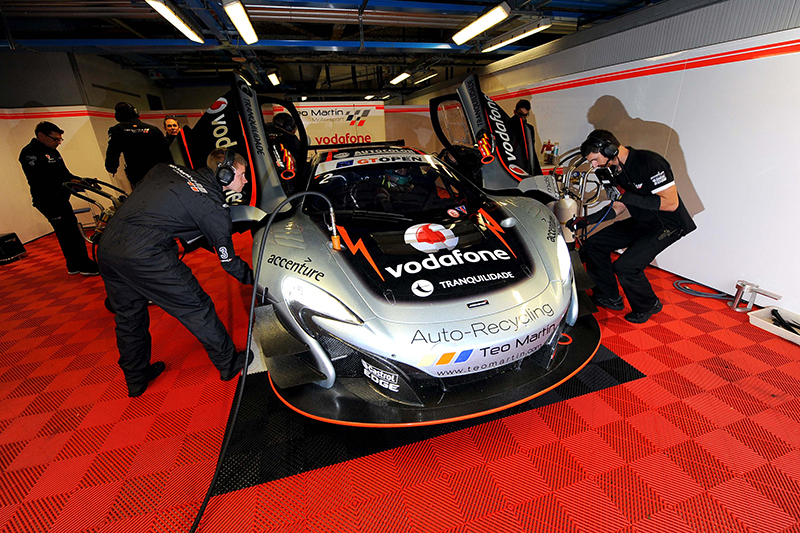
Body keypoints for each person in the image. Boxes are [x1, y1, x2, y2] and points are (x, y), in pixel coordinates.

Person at [97, 148, 254, 397]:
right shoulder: (212, 207)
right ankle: (229, 363)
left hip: (108, 247)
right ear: (224, 174)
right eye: (242, 175)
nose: (245, 181)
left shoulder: (166, 168)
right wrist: (257, 280)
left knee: (129, 316)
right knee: (197, 307)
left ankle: (136, 379)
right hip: (146, 254)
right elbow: (229, 263)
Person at [568, 129, 696, 324]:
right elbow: (619, 206)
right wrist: (587, 220)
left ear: (610, 150)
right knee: (594, 244)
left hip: (668, 225)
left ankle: (648, 304)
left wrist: (625, 196)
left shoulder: (650, 163)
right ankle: (609, 296)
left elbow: (671, 204)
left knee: (625, 266)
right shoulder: (613, 170)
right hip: (642, 220)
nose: (593, 165)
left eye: (594, 159)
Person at [18, 121, 99, 276]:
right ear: (41, 135)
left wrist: (82, 180)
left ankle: (73, 264)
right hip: (48, 200)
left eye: (60, 139)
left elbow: (65, 174)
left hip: (60, 198)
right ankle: (84, 264)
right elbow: (40, 179)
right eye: (55, 139)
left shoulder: (53, 152)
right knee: (69, 232)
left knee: (68, 231)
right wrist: (67, 183)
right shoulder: (30, 152)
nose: (58, 142)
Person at [105, 102, 171, 188]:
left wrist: (112, 168)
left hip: (137, 174)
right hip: (158, 173)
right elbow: (166, 151)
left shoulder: (119, 130)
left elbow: (113, 152)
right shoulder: (153, 129)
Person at [508, 99, 543, 176]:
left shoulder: (529, 129)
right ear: (515, 112)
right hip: (512, 163)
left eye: (526, 115)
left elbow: (531, 150)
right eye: (521, 114)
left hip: (525, 165)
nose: (523, 117)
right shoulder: (508, 125)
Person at [266, 112, 305, 182]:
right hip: (287, 179)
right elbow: (290, 166)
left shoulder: (269, 136)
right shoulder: (286, 140)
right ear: (288, 126)